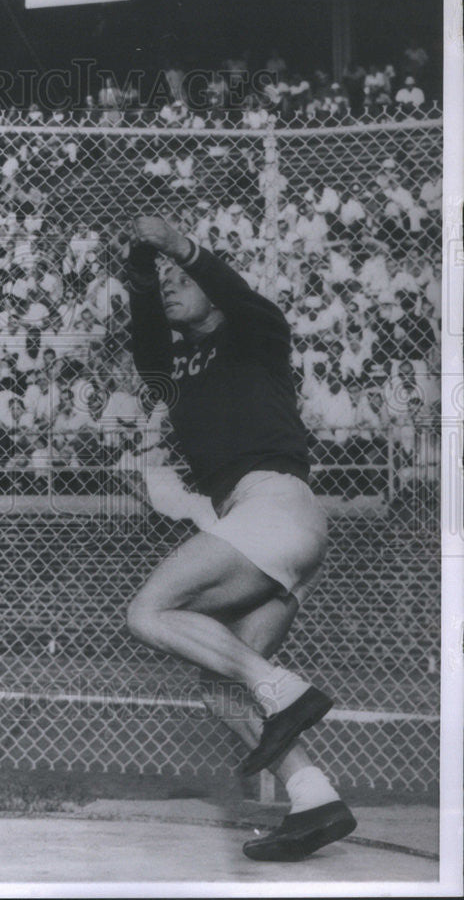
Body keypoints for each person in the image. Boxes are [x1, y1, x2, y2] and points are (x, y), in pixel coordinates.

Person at [124, 214, 356, 861]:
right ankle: (315, 799)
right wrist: (145, 268)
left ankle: (285, 689)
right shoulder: (172, 366)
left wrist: (186, 249)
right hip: (274, 531)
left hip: (274, 504)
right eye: (161, 281)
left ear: (207, 281)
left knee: (149, 610)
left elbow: (242, 297)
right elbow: (146, 338)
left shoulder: (255, 334)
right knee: (222, 685)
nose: (169, 286)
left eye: (180, 278)